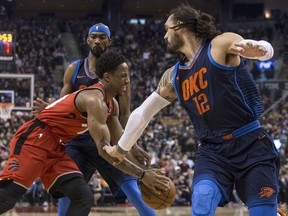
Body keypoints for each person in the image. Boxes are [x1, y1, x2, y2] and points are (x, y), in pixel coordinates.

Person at [103, 4, 284, 216]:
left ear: (180, 27)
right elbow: (144, 112)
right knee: (201, 202)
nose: (164, 36)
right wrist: (121, 149)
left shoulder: (218, 45)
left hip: (251, 143)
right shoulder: (174, 75)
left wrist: (262, 50)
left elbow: (256, 47)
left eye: (166, 29)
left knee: (263, 212)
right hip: (212, 151)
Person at [0, 51, 170, 215]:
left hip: (57, 146)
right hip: (35, 139)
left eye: (128, 75)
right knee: (9, 195)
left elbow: (120, 145)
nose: (127, 80)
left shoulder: (112, 106)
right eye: (123, 75)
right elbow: (106, 152)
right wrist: (142, 175)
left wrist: (145, 167)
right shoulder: (94, 100)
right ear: (107, 77)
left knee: (83, 198)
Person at [32, 23, 157, 216]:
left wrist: (132, 143)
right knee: (68, 189)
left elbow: (125, 113)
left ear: (109, 41)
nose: (98, 40)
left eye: (102, 37)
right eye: (94, 36)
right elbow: (63, 103)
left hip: (107, 136)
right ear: (88, 40)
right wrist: (48, 110)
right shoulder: (74, 69)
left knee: (131, 186)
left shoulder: (120, 73)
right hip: (78, 141)